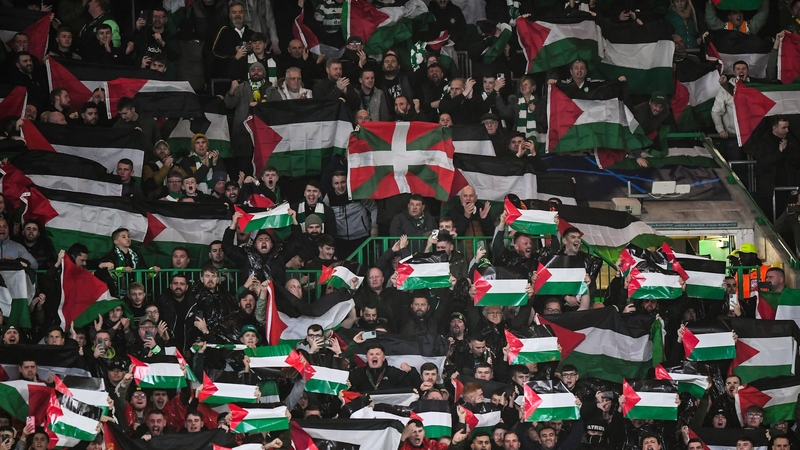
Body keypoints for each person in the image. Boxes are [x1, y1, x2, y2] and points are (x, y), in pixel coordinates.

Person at [744, 116, 800, 220]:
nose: (787, 130)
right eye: (784, 128)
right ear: (774, 128)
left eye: (787, 127)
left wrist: (786, 150)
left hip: (788, 185)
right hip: (770, 186)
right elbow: (763, 163)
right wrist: (779, 152)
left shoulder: (791, 140)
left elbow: (796, 160)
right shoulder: (764, 142)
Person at [324, 171, 378, 258]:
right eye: (337, 183)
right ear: (332, 184)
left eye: (343, 182)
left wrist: (374, 226)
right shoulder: (329, 197)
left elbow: (373, 207)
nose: (340, 186)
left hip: (362, 238)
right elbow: (324, 215)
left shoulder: (357, 193)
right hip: (341, 241)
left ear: (347, 181)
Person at [131, 7, 180, 79]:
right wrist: (137, 29)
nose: (157, 19)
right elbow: (129, 48)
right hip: (144, 75)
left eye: (160, 17)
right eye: (155, 16)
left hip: (164, 78)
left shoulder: (170, 36)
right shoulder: (144, 33)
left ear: (166, 19)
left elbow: (176, 55)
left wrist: (162, 43)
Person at [211, 1, 254, 77]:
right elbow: (215, 53)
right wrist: (234, 54)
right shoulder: (223, 31)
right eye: (234, 12)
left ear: (244, 14)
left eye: (240, 12)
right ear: (229, 15)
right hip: (227, 75)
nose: (237, 15)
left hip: (248, 75)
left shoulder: (251, 33)